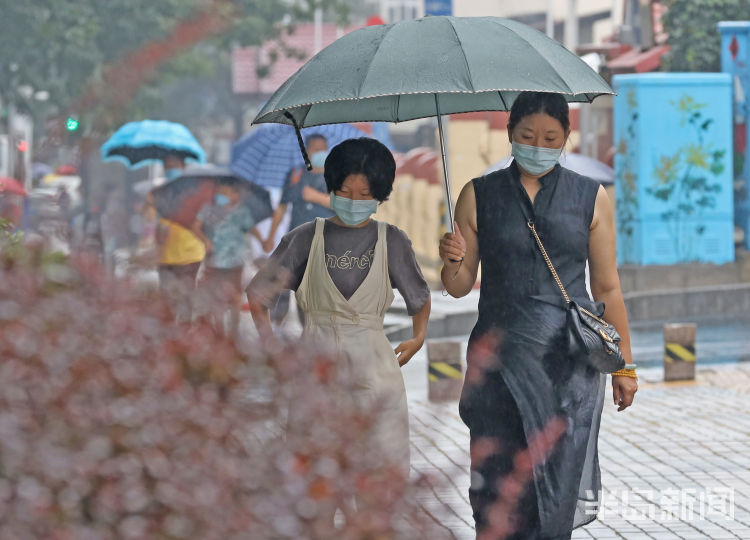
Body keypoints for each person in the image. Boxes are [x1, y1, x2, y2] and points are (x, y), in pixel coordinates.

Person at [439, 92, 638, 539]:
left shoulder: (592, 198)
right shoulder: (478, 195)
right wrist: (450, 259)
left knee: (552, 493)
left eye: (551, 137)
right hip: (498, 368)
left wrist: (625, 364)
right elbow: (456, 285)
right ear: (510, 134)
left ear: (568, 136)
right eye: (527, 136)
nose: (538, 144)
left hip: (565, 369)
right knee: (497, 492)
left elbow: (606, 287)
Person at [247, 137, 431, 478]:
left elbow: (419, 296)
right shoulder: (303, 239)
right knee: (315, 476)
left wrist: (419, 336)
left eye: (365, 195)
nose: (354, 202)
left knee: (379, 473)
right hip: (317, 361)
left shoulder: (393, 240)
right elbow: (257, 293)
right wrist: (270, 345)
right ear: (330, 187)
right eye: (346, 192)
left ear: (380, 194)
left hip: (375, 364)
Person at [262, 134, 335, 325]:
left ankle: (313, 334)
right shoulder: (295, 174)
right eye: (316, 148)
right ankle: (285, 330)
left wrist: (316, 197)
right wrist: (270, 236)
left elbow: (346, 205)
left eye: (323, 148)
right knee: (290, 286)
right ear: (306, 152)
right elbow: (282, 206)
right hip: (297, 240)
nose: (320, 152)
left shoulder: (336, 175)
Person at [191, 179, 261, 339]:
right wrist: (205, 240)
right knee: (216, 296)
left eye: (225, 193)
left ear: (235, 195)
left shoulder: (242, 211)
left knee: (235, 296)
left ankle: (234, 331)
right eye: (218, 192)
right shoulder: (208, 209)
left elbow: (251, 228)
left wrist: (264, 241)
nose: (220, 196)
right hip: (214, 260)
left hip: (235, 260)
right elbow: (196, 226)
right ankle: (220, 331)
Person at [153, 153, 205, 322]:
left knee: (185, 294)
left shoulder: (195, 192)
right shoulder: (160, 192)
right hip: (166, 255)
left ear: (183, 167)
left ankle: (185, 332)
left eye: (174, 166)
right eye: (167, 166)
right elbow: (156, 222)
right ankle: (169, 335)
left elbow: (201, 221)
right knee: (167, 298)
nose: (170, 170)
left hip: (190, 254)